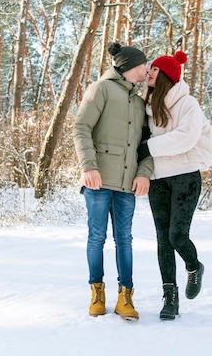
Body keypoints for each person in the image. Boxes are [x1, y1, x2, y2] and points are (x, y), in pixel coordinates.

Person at [73, 42, 154, 320]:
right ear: (131, 66)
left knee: (125, 240)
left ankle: (125, 297)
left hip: (127, 184)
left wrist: (144, 171)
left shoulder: (140, 102)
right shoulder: (101, 89)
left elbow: (147, 143)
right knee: (96, 237)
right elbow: (81, 127)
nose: (147, 69)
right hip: (98, 181)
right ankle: (97, 292)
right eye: (144, 64)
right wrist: (88, 167)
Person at [137, 50, 212, 320]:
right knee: (162, 241)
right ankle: (170, 297)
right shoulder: (147, 106)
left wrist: (149, 147)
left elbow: (186, 138)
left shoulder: (187, 104)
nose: (149, 73)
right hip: (159, 179)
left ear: (167, 75)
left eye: (154, 70)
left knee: (177, 236)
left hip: (186, 177)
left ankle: (194, 266)